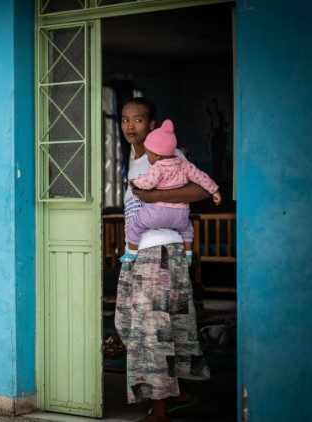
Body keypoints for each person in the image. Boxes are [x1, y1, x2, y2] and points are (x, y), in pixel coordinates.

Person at [114, 98, 211, 422]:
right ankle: (178, 391)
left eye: (138, 120)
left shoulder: (168, 155)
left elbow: (199, 190)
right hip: (142, 252)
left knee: (151, 328)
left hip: (161, 252)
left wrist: (152, 196)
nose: (130, 126)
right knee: (130, 322)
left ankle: (160, 408)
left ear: (152, 123)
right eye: (125, 119)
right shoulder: (138, 160)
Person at [120, 119, 222, 264]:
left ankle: (131, 253)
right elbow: (201, 177)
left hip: (157, 213)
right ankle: (188, 255)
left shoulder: (158, 167)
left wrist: (135, 182)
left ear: (157, 155)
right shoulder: (185, 165)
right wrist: (215, 190)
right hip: (180, 214)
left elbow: (148, 183)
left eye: (148, 155)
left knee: (135, 224)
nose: (148, 158)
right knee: (188, 230)